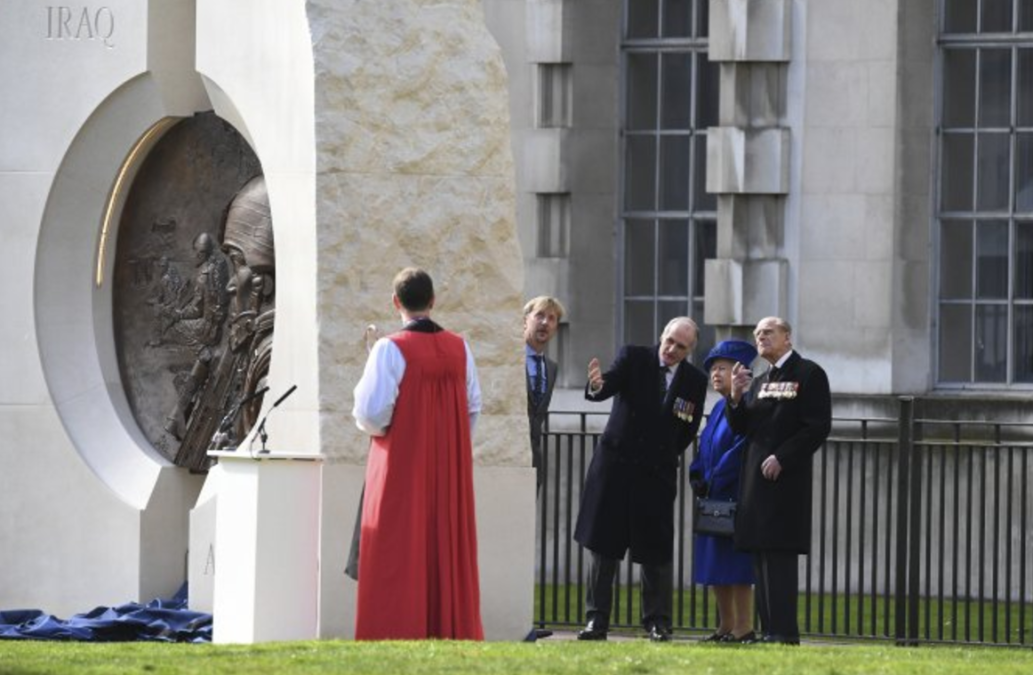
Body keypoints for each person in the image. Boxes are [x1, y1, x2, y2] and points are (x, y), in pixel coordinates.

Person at [351, 268, 484, 640]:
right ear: (433, 300)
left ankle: (393, 628)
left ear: (396, 302)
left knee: (395, 547)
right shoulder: (460, 346)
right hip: (448, 469)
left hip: (400, 465)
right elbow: (473, 405)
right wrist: (451, 442)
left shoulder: (389, 348)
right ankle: (448, 629)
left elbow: (371, 413)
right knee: (445, 548)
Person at [573, 317, 709, 642]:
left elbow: (687, 429)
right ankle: (596, 621)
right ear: (661, 335)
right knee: (604, 548)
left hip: (656, 474)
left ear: (691, 350)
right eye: (670, 341)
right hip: (616, 469)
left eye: (682, 346)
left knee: (656, 553)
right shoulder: (634, 357)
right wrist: (595, 385)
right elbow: (608, 384)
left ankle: (657, 623)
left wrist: (662, 456)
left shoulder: (694, 380)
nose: (672, 350)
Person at [727, 317, 831, 645]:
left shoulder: (809, 373)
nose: (761, 338)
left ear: (787, 337)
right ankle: (770, 629)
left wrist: (783, 457)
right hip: (756, 482)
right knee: (760, 556)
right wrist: (734, 397)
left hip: (785, 481)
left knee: (779, 557)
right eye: (758, 334)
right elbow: (743, 427)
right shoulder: (758, 381)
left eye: (768, 332)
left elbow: (816, 426)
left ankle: (784, 633)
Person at [688, 340, 758, 643]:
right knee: (715, 565)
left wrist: (715, 477)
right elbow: (705, 447)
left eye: (722, 368)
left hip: (736, 495)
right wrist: (697, 475)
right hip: (713, 497)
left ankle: (744, 627)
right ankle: (725, 626)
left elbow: (742, 448)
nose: (715, 374)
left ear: (739, 372)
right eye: (713, 369)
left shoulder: (749, 405)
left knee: (737, 566)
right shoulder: (717, 408)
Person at [523, 296, 565, 490]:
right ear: (526, 320)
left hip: (534, 460)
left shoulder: (552, 368)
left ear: (556, 327)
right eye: (539, 315)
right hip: (507, 455)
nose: (545, 323)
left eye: (551, 318)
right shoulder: (510, 359)